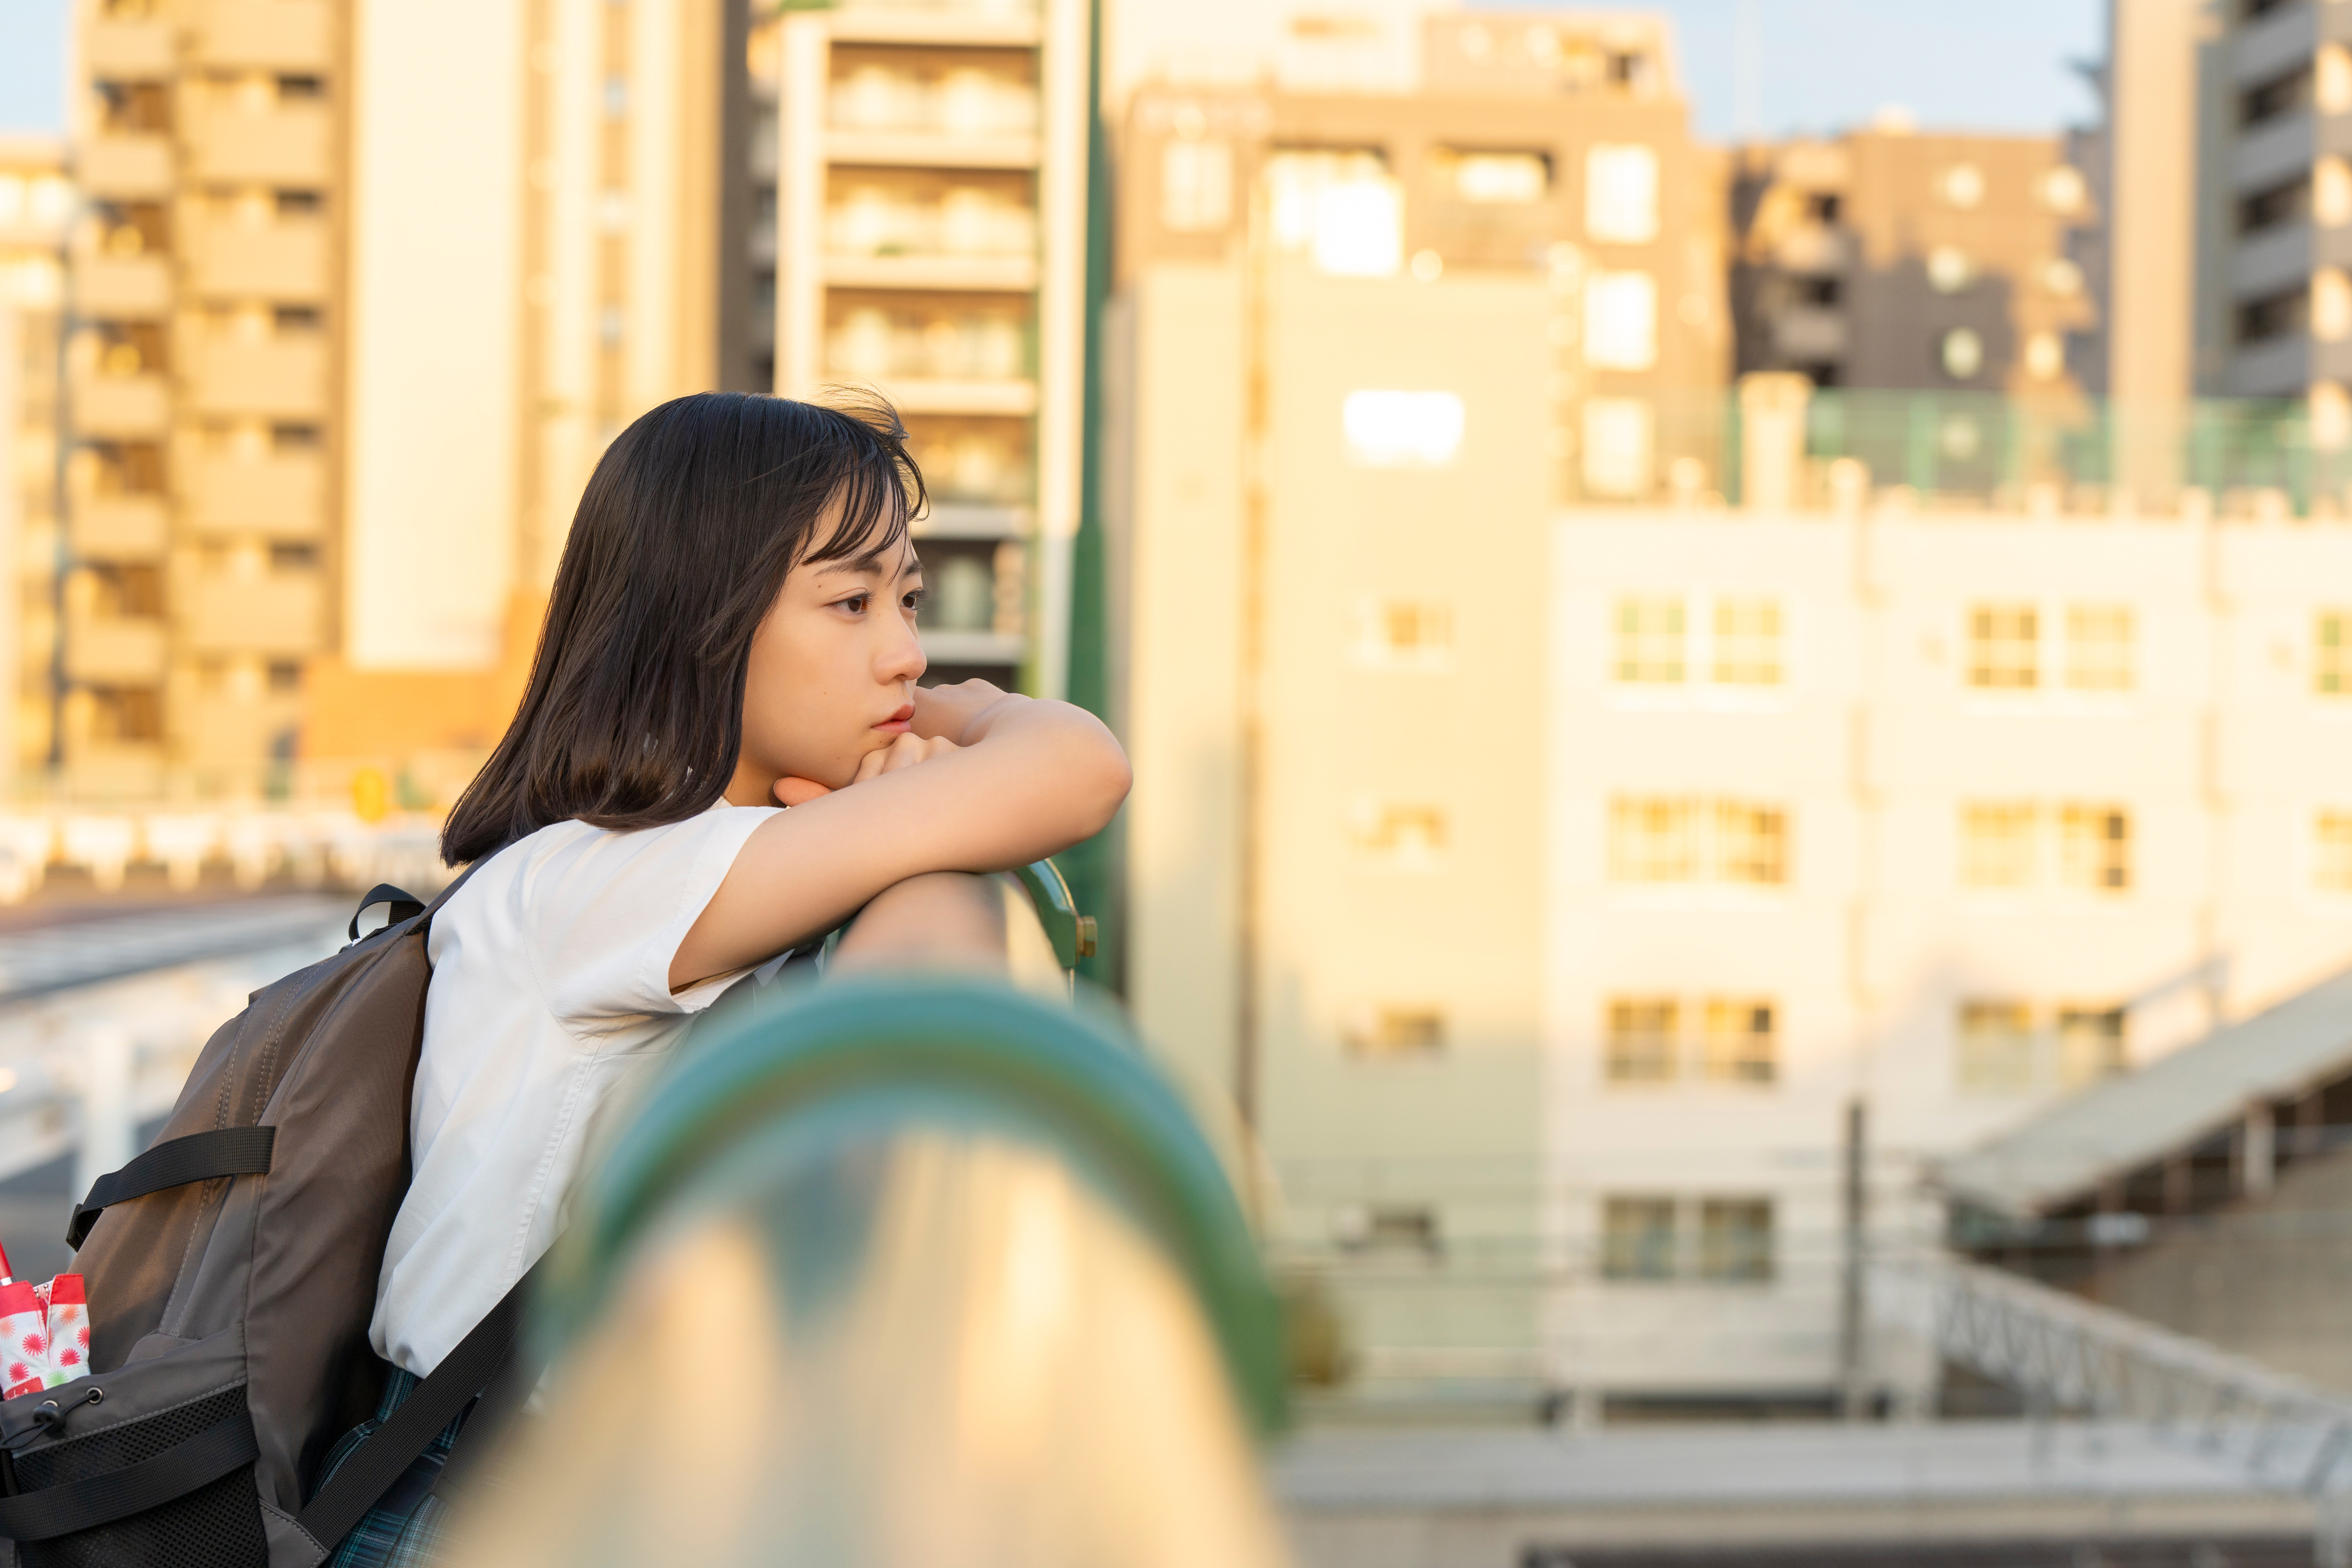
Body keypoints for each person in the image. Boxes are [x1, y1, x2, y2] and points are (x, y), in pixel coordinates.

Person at [319, 390, 1129, 1566]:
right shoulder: (607, 876)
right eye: (849, 604)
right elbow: (1080, 767)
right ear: (700, 625)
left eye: (908, 598)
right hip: (495, 1499)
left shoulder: (696, 868)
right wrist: (969, 718)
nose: (904, 651)